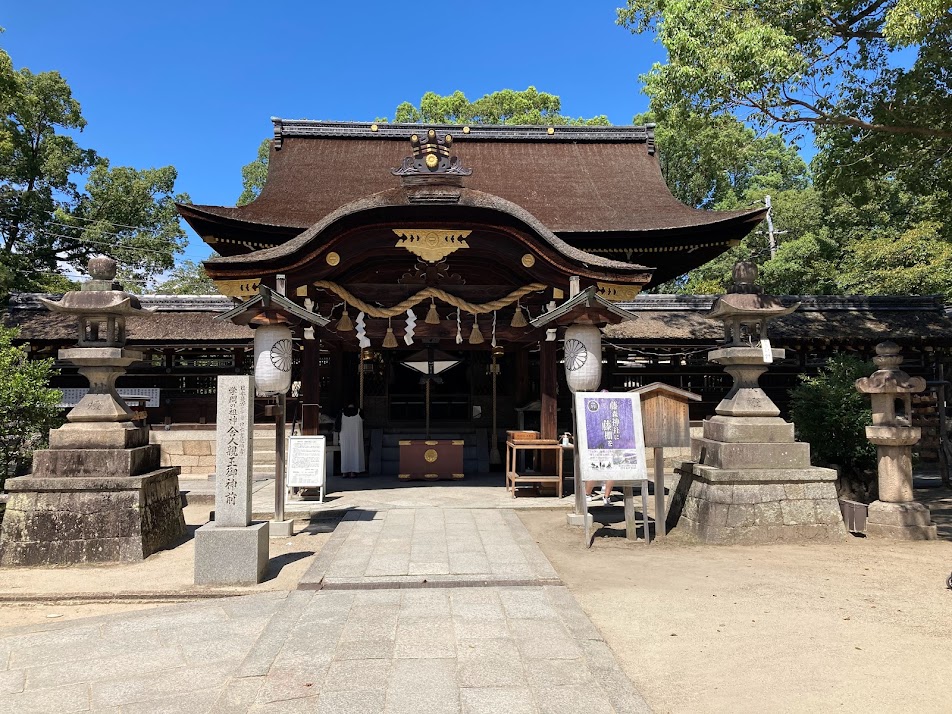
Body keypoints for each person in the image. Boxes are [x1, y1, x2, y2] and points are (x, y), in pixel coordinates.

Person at [335, 403, 365, 477]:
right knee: (356, 453)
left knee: (345, 453)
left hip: (345, 436)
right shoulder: (359, 412)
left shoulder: (341, 413)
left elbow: (337, 425)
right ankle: (354, 471)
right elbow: (363, 420)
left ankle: (345, 471)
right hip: (356, 436)